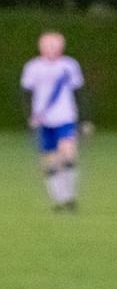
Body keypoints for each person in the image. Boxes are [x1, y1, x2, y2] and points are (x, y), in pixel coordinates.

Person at [20, 31, 87, 212]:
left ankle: (70, 197)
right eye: (47, 45)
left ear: (61, 47)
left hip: (65, 117)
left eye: (54, 45)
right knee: (51, 161)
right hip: (43, 119)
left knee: (68, 153)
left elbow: (79, 92)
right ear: (41, 47)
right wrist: (30, 116)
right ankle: (59, 199)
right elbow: (26, 93)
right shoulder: (33, 67)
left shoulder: (69, 65)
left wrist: (84, 119)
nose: (51, 48)